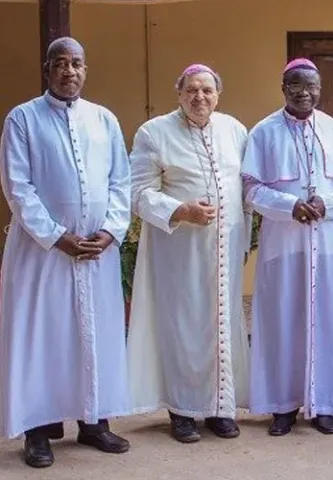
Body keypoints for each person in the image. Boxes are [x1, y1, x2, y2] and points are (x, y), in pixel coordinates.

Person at [0, 37, 131, 468]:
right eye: (60, 63)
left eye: (76, 63)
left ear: (85, 70)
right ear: (47, 70)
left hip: (96, 251)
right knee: (44, 338)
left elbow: (121, 182)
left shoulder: (104, 119)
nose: (69, 70)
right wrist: (58, 237)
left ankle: (94, 423)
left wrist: (110, 231)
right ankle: (38, 431)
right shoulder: (22, 118)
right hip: (42, 253)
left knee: (96, 336)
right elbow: (18, 188)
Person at [126, 64, 251, 443]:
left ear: (218, 95)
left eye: (207, 90)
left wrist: (243, 239)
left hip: (225, 251)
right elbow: (137, 193)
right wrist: (181, 210)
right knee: (183, 327)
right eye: (192, 90)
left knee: (222, 325)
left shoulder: (235, 130)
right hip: (180, 250)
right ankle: (181, 410)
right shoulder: (154, 133)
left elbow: (244, 190)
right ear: (179, 93)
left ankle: (219, 408)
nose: (200, 97)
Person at [242, 58, 333, 436]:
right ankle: (283, 406)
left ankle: (325, 404)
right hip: (283, 243)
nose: (304, 93)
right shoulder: (263, 132)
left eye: (311, 86)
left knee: (328, 322)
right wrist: (288, 205)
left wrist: (329, 203)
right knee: (282, 322)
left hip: (327, 243)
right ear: (283, 88)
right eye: (296, 85)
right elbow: (251, 188)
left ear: (320, 89)